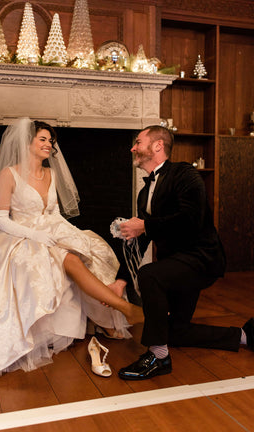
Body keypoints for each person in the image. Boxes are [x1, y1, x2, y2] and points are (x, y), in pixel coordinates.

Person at [0, 118, 143, 391]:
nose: (48, 145)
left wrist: (67, 233)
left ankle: (113, 311)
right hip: (17, 236)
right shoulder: (10, 174)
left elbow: (54, 213)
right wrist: (36, 236)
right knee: (68, 259)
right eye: (42, 139)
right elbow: (2, 220)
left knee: (91, 248)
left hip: (51, 230)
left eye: (50, 141)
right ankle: (127, 309)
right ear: (27, 143)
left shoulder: (51, 174)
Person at [109, 125, 254, 380]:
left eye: (138, 142)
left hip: (201, 259)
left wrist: (145, 225)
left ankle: (159, 357)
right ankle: (244, 336)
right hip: (176, 264)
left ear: (157, 146)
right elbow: (143, 238)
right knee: (173, 331)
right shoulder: (145, 194)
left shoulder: (184, 173)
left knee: (150, 275)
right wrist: (120, 281)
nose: (133, 147)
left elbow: (191, 219)